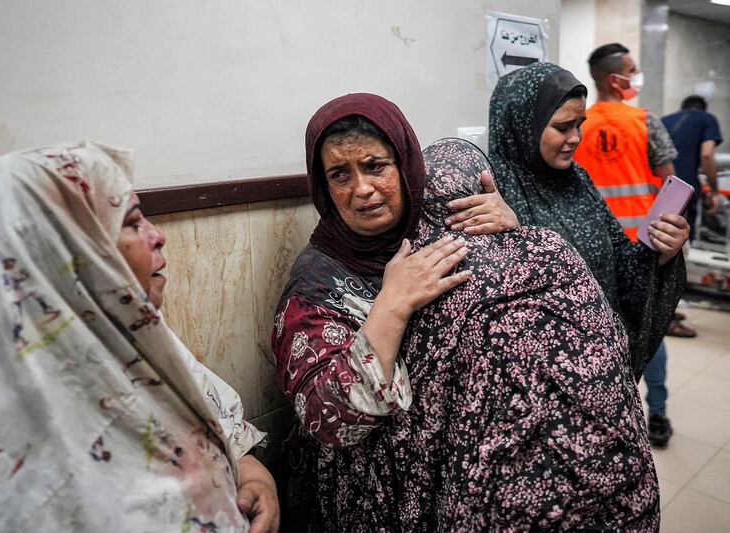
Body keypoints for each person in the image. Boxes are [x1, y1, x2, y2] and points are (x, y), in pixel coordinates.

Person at [272, 93, 657, 531]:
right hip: (390, 487)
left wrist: (510, 228)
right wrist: (392, 306)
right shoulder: (317, 281)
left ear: (404, 165)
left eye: (375, 166)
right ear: (323, 187)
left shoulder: (437, 220)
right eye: (340, 175)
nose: (361, 189)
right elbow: (327, 420)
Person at [0, 142, 279, 532]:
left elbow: (226, 435)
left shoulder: (132, 335)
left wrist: (255, 481)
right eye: (131, 223)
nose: (157, 235)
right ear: (67, 255)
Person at [491, 61, 688, 451]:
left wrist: (661, 251)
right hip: (537, 404)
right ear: (521, 126)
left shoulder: (576, 180)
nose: (576, 138)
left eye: (579, 123)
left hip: (603, 380)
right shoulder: (493, 192)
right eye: (563, 127)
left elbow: (620, 260)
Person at [570, 43, 687, 446]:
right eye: (632, 70)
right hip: (646, 245)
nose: (636, 77)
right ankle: (657, 414)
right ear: (614, 78)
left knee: (598, 332)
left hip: (593, 248)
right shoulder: (645, 121)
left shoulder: (576, 123)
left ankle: (609, 415)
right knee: (648, 328)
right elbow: (672, 185)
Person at [662, 94, 724, 240]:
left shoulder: (663, 121)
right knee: (682, 239)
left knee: (659, 235)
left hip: (659, 186)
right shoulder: (707, 119)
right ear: (703, 108)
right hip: (685, 187)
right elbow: (707, 155)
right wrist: (714, 192)